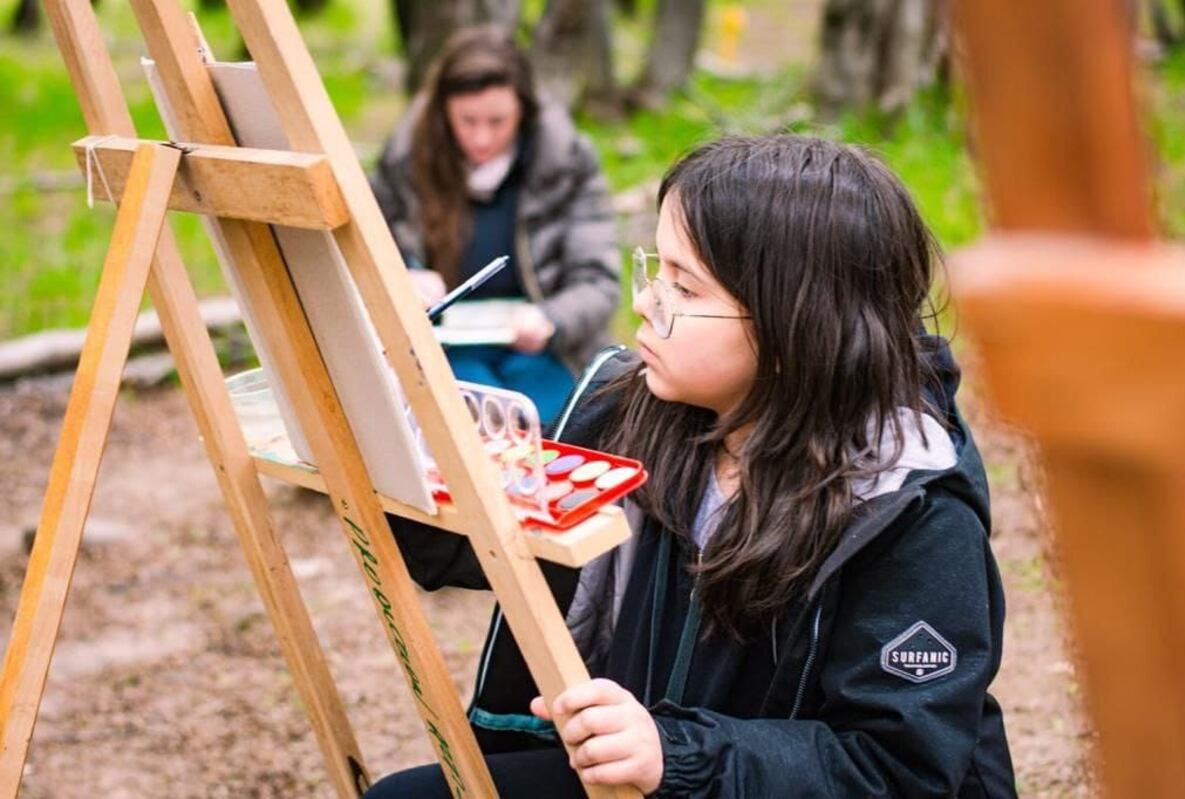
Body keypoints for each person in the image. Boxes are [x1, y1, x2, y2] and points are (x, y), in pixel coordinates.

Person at [368, 135, 1017, 797]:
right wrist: (380, 398)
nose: (646, 302)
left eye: (683, 286)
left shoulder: (913, 512)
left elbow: (898, 767)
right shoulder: (632, 411)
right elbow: (474, 544)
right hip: (655, 775)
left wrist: (674, 753)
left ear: (793, 330)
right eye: (656, 270)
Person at [370, 26, 620, 424]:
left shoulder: (566, 161)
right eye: (467, 121)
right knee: (470, 424)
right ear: (443, 113)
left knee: (554, 427)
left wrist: (552, 319)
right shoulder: (406, 161)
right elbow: (367, 249)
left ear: (523, 110)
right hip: (443, 349)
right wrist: (406, 278)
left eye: (497, 121)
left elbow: (598, 282)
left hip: (544, 350)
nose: (482, 138)